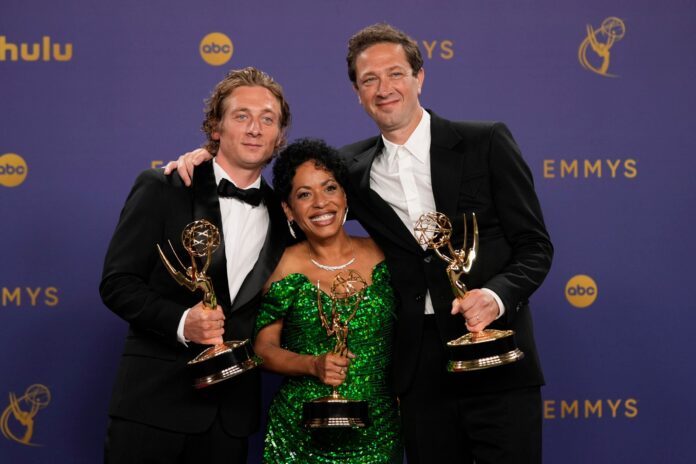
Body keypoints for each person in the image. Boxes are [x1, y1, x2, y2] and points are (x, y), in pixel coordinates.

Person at [167, 23, 553, 464]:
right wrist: (207, 161)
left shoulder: (485, 142)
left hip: (495, 351)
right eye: (369, 80)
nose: (384, 88)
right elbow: (301, 196)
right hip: (416, 366)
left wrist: (495, 297)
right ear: (357, 92)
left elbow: (535, 246)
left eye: (395, 74)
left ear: (419, 77)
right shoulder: (350, 168)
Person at [100, 67, 291, 463]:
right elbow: (118, 283)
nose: (255, 128)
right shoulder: (163, 186)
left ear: (279, 136)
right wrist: (181, 322)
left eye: (267, 119)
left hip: (230, 420)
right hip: (152, 407)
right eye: (241, 116)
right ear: (215, 127)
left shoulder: (286, 218)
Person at [253, 138, 402, 463]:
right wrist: (311, 364)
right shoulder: (281, 267)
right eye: (304, 194)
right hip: (299, 435)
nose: (320, 203)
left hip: (379, 429)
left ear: (345, 195)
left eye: (329, 188)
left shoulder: (384, 255)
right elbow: (262, 351)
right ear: (288, 209)